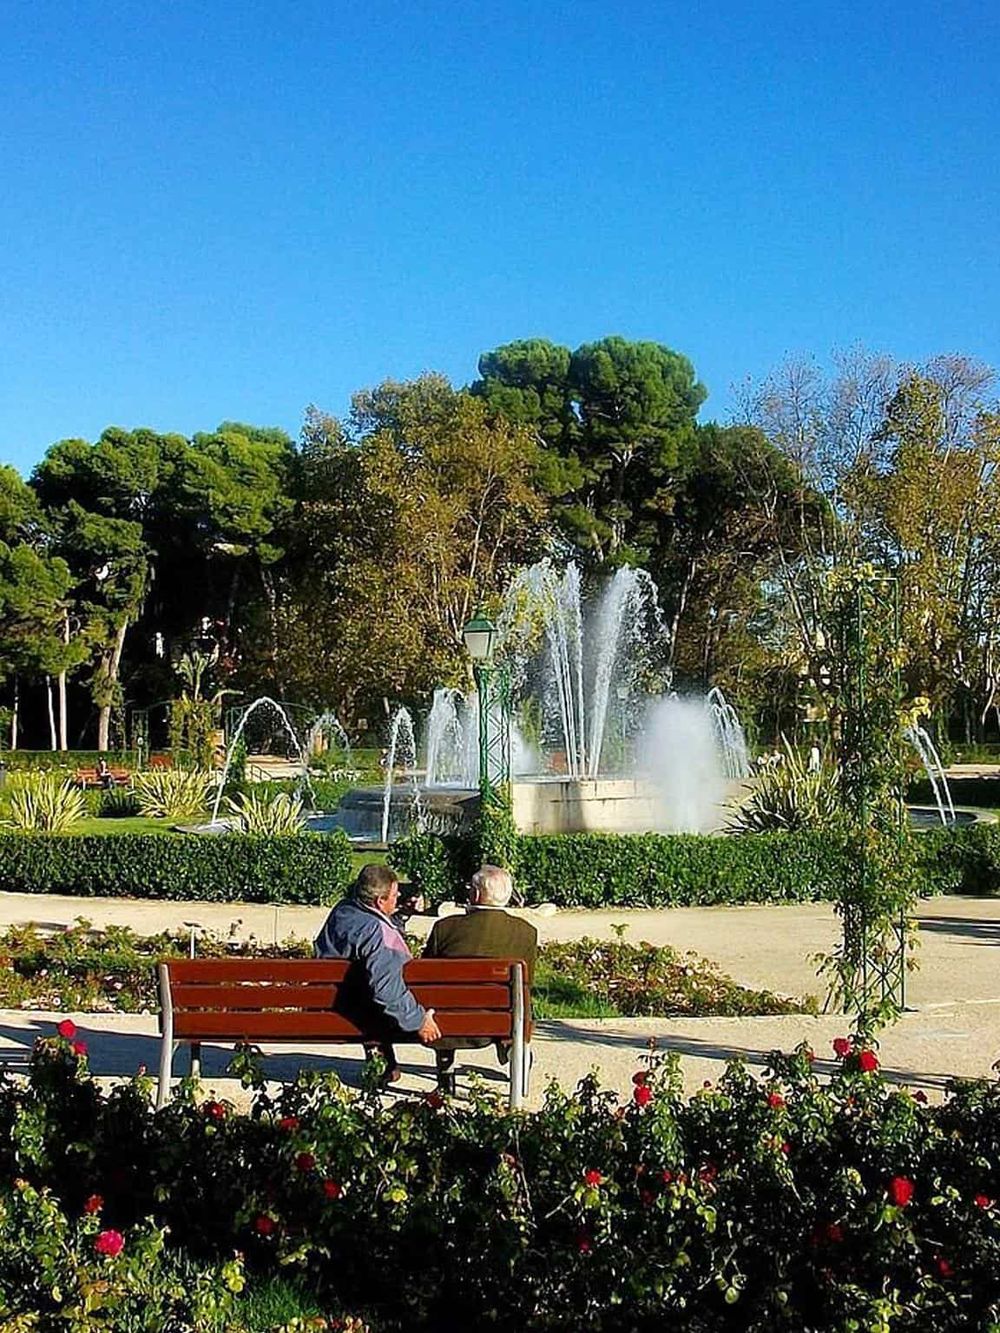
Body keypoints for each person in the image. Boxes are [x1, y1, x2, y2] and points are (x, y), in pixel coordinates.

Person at [314, 864, 441, 1085]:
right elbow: (385, 989)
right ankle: (385, 1064)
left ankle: (383, 1063)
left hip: (336, 1003)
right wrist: (419, 1021)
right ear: (380, 902)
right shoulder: (378, 932)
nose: (399, 895)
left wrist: (397, 917)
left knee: (365, 992)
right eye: (394, 894)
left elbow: (369, 934)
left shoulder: (342, 910)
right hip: (366, 1012)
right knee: (388, 999)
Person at [422, 864, 538, 1095]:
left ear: (475, 895)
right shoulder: (526, 932)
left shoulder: (445, 928)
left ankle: (445, 1070)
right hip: (503, 1020)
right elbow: (528, 982)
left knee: (441, 1000)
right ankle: (512, 1050)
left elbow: (426, 980)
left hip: (449, 1022)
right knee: (515, 1000)